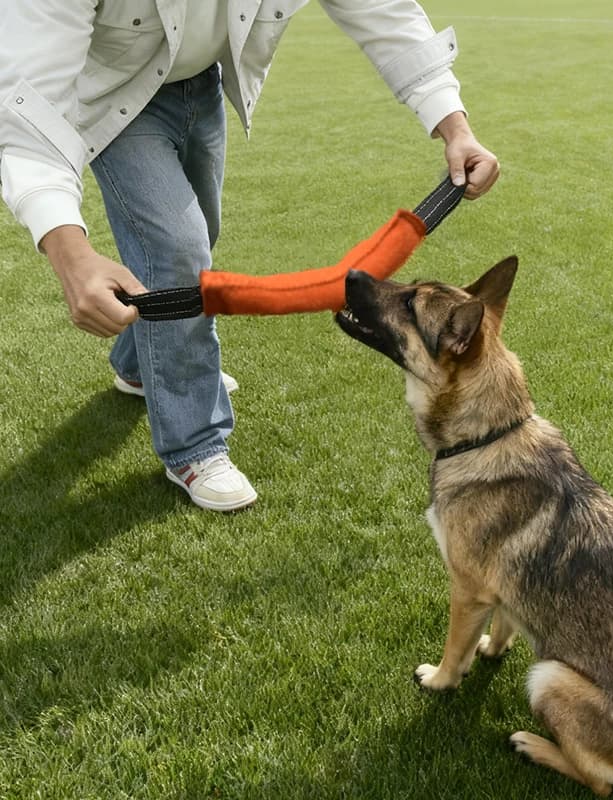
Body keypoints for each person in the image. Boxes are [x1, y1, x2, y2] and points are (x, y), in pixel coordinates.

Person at [0, 2, 500, 512]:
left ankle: (138, 368)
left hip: (200, 85)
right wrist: (71, 254)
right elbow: (23, 100)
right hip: (115, 100)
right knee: (179, 253)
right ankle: (196, 444)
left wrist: (454, 125)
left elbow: (379, 9)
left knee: (201, 236)